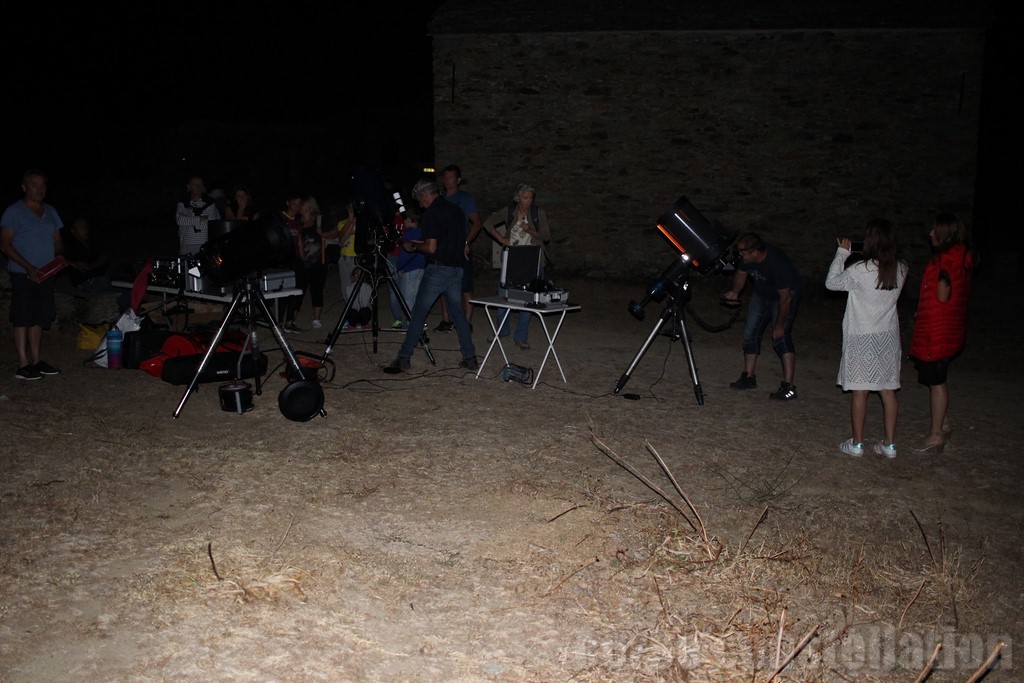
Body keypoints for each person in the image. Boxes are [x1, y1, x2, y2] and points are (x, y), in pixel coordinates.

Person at [825, 219, 909, 458]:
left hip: (862, 336)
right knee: (888, 390)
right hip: (887, 338)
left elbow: (831, 283)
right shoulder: (901, 268)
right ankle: (889, 444)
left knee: (860, 391)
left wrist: (842, 253)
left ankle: (857, 443)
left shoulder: (861, 270)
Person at [387, 177, 477, 372]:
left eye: (419, 199)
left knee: (418, 313)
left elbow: (431, 247)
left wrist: (413, 247)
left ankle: (404, 357)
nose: (419, 203)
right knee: (458, 314)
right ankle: (470, 357)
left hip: (438, 269)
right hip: (456, 268)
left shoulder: (432, 213)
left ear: (425, 195)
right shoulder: (455, 210)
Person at [907, 213, 976, 453]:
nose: (931, 234)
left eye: (935, 230)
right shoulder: (961, 258)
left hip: (938, 332)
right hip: (947, 328)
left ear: (945, 234)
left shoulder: (946, 262)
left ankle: (936, 434)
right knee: (936, 378)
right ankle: (943, 423)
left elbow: (943, 296)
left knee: (937, 382)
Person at [722, 231, 802, 400]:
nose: (740, 256)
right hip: (762, 294)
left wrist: (779, 325)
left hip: (784, 296)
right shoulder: (747, 259)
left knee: (781, 337)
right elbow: (741, 274)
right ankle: (749, 377)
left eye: (743, 253)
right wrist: (735, 292)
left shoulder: (777, 263)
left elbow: (785, 298)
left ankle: (789, 386)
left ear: (755, 252)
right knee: (749, 334)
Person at [1, 170, 63, 381]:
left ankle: (36, 360)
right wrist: (28, 266)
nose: (40, 189)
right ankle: (23, 363)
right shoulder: (14, 212)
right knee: (23, 316)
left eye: (43, 185)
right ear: (24, 187)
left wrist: (54, 262)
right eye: (34, 185)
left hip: (46, 274)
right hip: (23, 273)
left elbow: (57, 241)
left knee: (40, 316)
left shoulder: (51, 211)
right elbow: (5, 244)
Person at [481, 182, 551, 350]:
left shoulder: (537, 213)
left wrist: (530, 231)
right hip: (512, 259)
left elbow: (546, 236)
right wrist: (502, 239)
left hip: (532, 259)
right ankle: (501, 330)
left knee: (527, 298)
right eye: (526, 198)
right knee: (504, 295)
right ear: (518, 198)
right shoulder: (509, 212)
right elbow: (487, 223)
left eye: (531, 198)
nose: (529, 201)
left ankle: (521, 337)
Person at [434, 164, 482, 333]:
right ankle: (445, 320)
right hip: (443, 249)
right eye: (445, 177)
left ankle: (466, 323)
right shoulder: (439, 199)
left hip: (461, 249)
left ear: (458, 180)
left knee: (465, 287)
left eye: (450, 178)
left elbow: (477, 223)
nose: (446, 181)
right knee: (443, 286)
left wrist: (466, 243)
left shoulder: (465, 199)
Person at [274, 189, 305, 333]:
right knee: (282, 293)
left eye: (299, 204)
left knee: (296, 291)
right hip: (283, 262)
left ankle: (289, 322)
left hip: (296, 261)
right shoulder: (280, 218)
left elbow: (299, 241)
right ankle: (278, 323)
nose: (296, 207)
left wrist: (302, 259)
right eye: (294, 204)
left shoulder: (298, 221)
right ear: (288, 203)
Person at [298, 196, 330, 329]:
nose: (300, 208)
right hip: (303, 263)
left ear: (310, 207)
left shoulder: (319, 220)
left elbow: (334, 232)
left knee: (317, 290)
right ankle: (291, 319)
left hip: (319, 263)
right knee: (299, 290)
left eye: (303, 205)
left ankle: (317, 318)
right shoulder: (298, 222)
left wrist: (323, 233)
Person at [394, 205, 426, 327]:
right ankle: (418, 322)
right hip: (421, 268)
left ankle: (411, 324)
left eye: (405, 219)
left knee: (408, 297)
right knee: (417, 296)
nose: (404, 222)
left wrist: (400, 267)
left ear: (411, 220)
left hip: (410, 269)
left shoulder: (409, 234)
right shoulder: (423, 233)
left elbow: (406, 254)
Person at [60, 216, 111, 291]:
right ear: (73, 230)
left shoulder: (91, 242)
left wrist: (92, 266)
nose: (85, 229)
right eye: (81, 227)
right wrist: (73, 264)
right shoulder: (70, 246)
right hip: (84, 282)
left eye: (85, 226)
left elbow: (104, 256)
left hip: (98, 276)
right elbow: (60, 259)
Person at [175, 175, 220, 256]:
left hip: (204, 244)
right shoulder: (183, 203)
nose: (199, 187)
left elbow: (209, 223)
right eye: (195, 184)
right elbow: (180, 221)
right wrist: (202, 218)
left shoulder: (209, 202)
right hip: (186, 244)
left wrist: (188, 219)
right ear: (189, 187)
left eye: (201, 184)